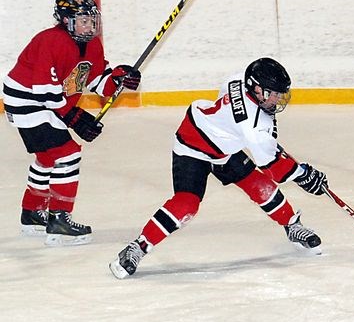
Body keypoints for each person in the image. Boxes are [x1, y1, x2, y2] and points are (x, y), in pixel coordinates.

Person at [108, 57, 328, 279]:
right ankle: (137, 247)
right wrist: (305, 175)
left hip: (221, 146)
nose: (277, 99)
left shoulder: (238, 81)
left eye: (280, 93)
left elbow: (230, 103)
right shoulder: (255, 127)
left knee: (258, 183)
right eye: (272, 93)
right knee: (187, 204)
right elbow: (275, 169)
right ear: (256, 88)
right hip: (192, 145)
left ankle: (291, 225)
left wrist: (244, 134)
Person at [2, 0, 141, 246]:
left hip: (49, 103)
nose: (90, 26)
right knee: (67, 154)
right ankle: (59, 220)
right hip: (27, 101)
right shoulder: (50, 41)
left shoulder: (93, 45)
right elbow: (44, 90)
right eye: (83, 20)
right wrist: (73, 116)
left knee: (47, 156)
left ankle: (32, 214)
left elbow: (98, 81)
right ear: (66, 21)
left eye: (92, 20)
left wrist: (119, 79)